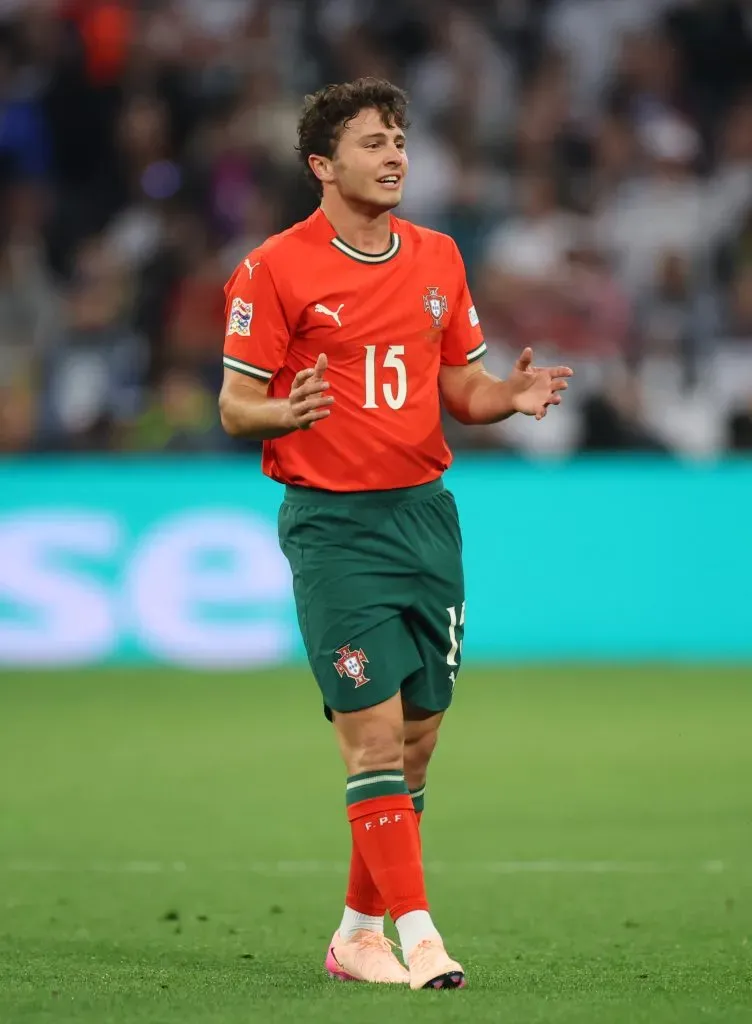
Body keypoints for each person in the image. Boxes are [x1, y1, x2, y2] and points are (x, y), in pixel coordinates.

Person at [218, 78, 572, 991]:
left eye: (400, 139)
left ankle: (355, 935)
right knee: (370, 739)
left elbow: (464, 387)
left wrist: (511, 397)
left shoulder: (440, 258)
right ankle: (423, 940)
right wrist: (281, 407)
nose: (396, 155)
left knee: (417, 740)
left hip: (425, 518)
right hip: (333, 525)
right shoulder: (274, 269)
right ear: (322, 167)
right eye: (374, 142)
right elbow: (232, 404)